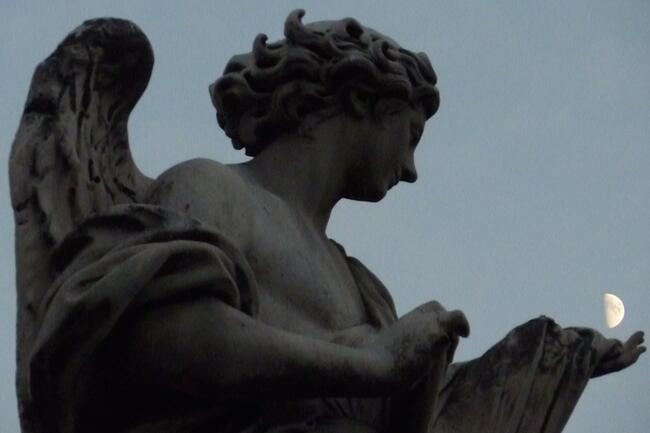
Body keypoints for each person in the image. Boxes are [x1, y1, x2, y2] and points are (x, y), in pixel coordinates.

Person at [12, 10, 644, 433]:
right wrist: (367, 365)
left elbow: (428, 414)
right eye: (412, 135)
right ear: (364, 100)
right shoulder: (212, 189)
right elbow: (158, 336)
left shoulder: (366, 293)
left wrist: (560, 357)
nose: (413, 168)